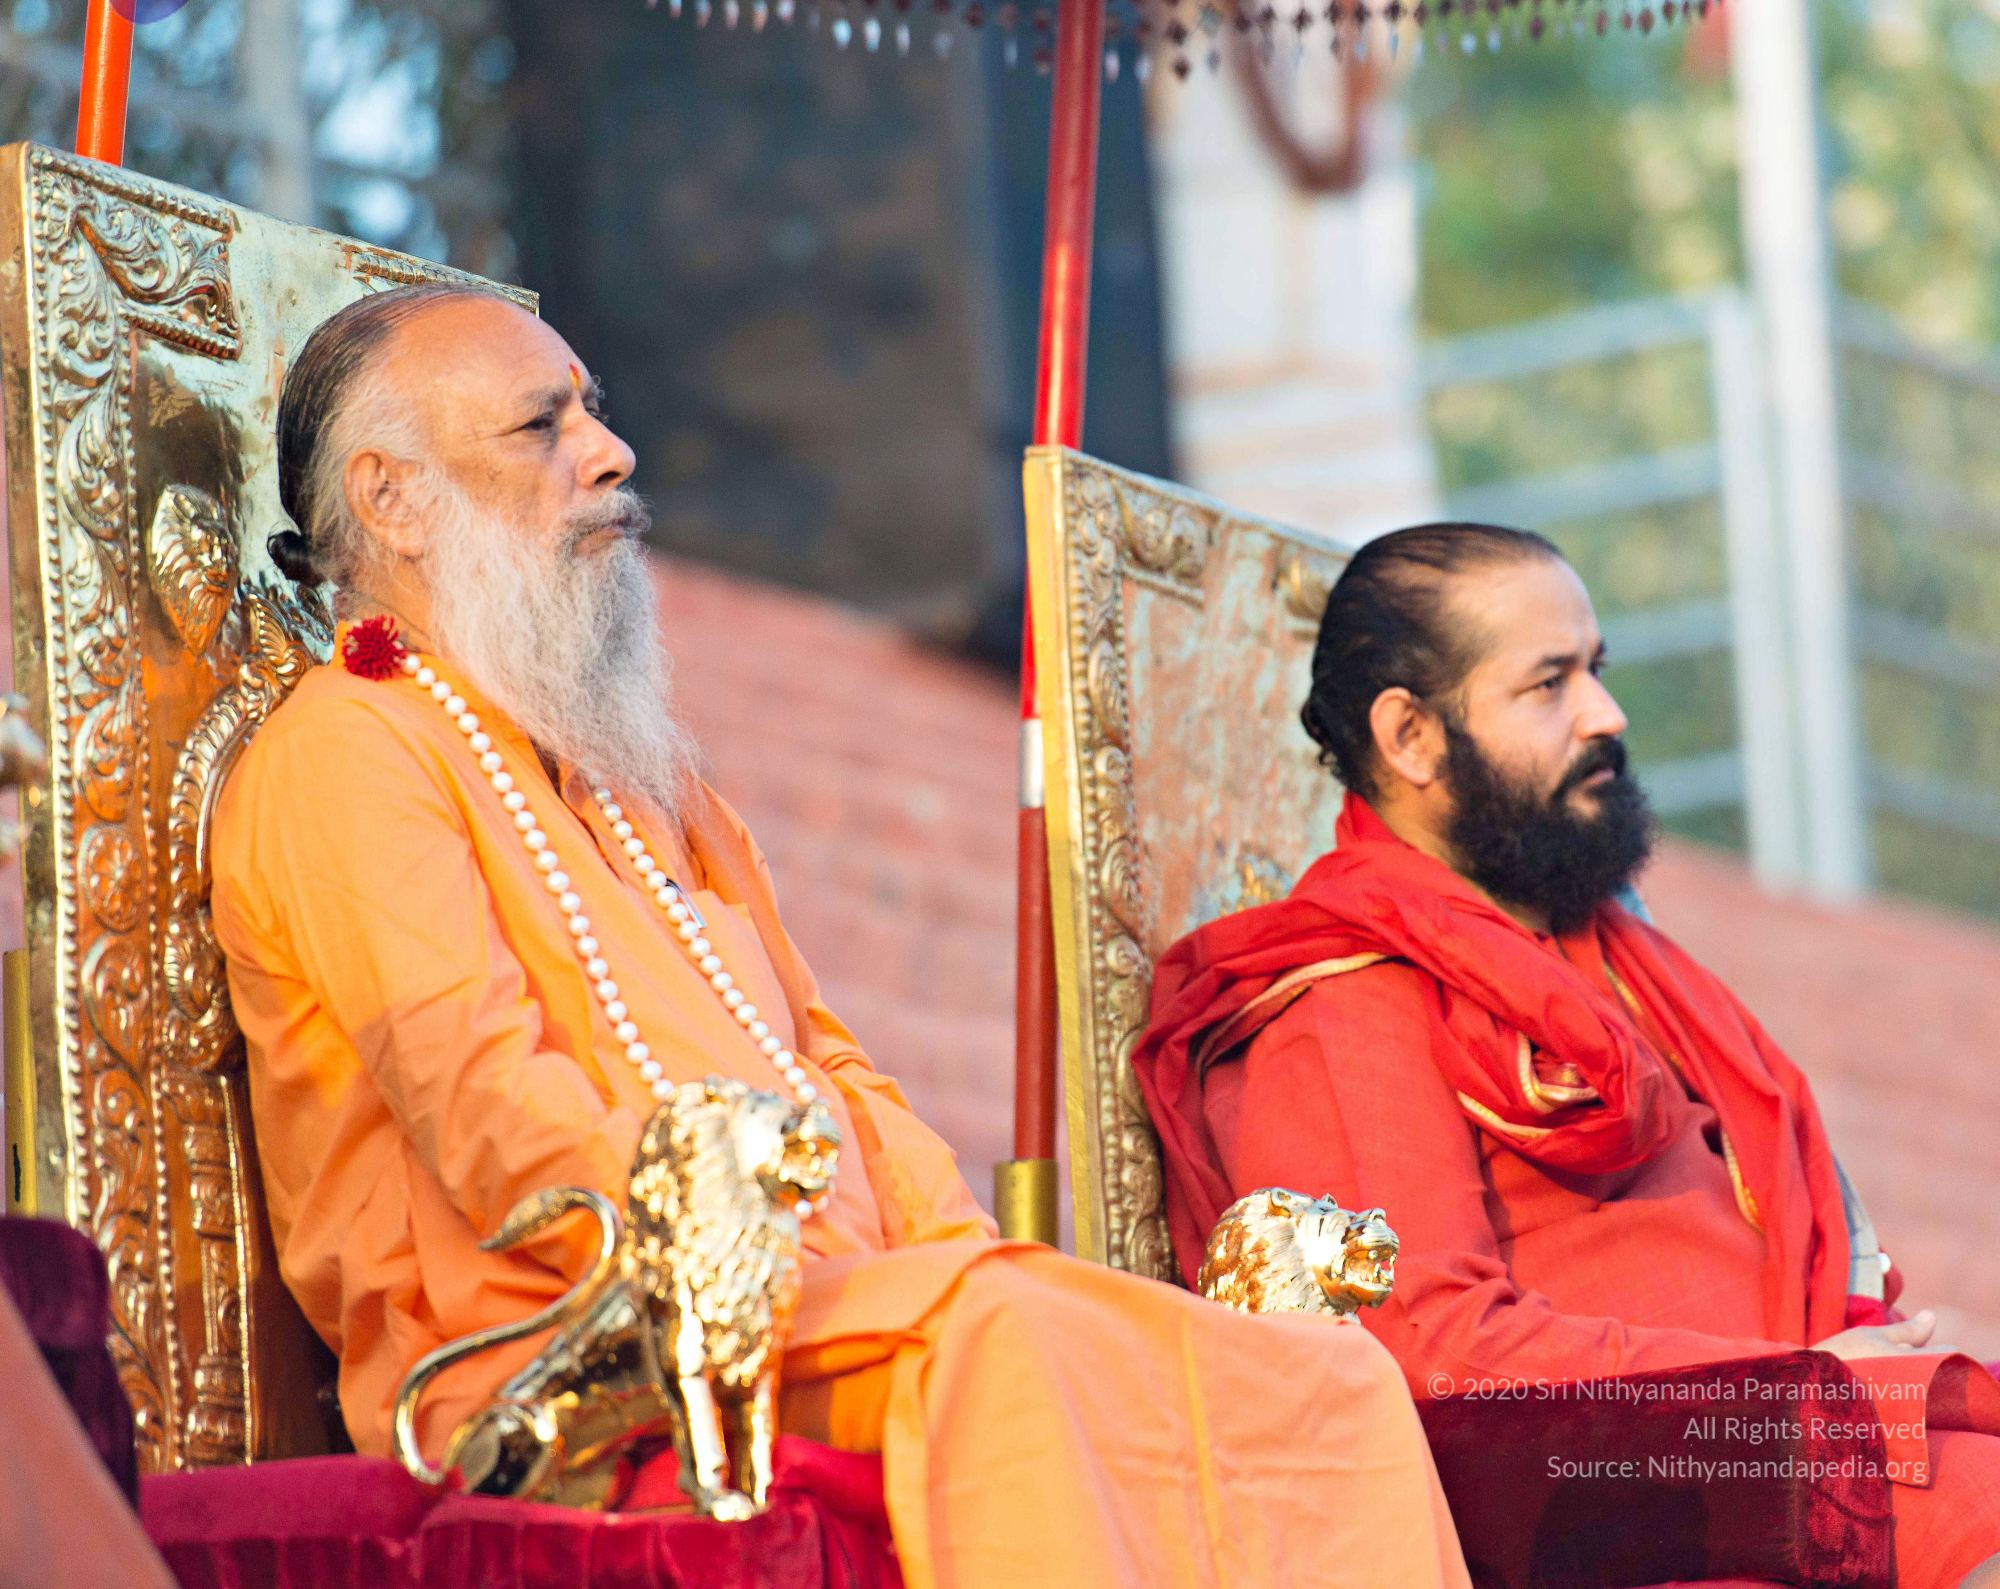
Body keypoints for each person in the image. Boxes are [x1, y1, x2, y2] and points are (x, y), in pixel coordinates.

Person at [209, 283, 1470, 1589]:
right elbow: (482, 1107)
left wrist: (960, 1256)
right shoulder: (347, 756)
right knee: (1018, 1335)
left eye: (594, 411)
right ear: (393, 499)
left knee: (1316, 1375)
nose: (611, 452)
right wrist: (763, 1265)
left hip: (846, 1304)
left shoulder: (638, 781)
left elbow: (827, 1065)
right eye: (542, 427)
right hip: (573, 1348)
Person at [1138, 521, 2000, 1589]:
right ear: (1411, 736)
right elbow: (1430, 1354)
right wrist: (1790, 1391)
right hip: (1649, 1515)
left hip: (1820, 1447)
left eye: (1595, 668)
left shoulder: (1618, 958)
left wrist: (1828, 1381)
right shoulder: (1337, 1008)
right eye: (1548, 683)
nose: (1605, 713)